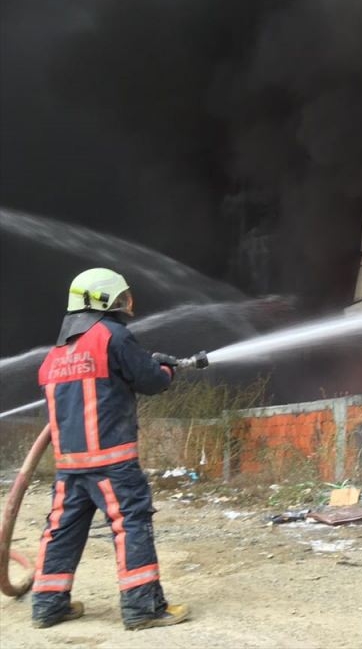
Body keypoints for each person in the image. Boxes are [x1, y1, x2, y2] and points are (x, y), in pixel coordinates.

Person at [32, 268, 189, 631]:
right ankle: (143, 608)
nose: (124, 306)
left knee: (61, 530)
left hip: (69, 467)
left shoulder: (54, 354)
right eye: (119, 299)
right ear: (103, 300)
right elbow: (149, 381)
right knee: (132, 524)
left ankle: (48, 605)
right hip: (112, 463)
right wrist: (166, 370)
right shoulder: (112, 336)